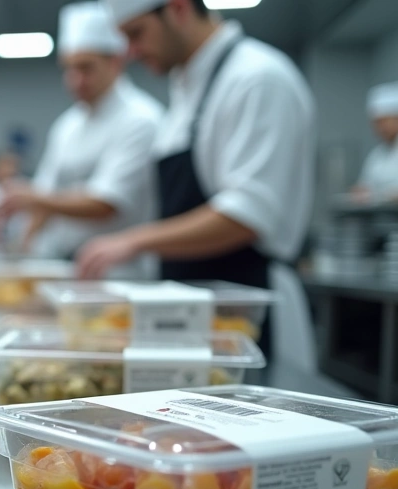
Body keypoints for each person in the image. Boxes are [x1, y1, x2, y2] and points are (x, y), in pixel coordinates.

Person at [80, 0, 316, 351]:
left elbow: (247, 215)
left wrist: (134, 240)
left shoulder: (257, 78)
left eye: (136, 33)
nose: (129, 52)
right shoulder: (187, 87)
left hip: (250, 312)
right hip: (195, 312)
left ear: (178, 9)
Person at [0, 1, 162, 279]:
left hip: (122, 272)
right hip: (68, 266)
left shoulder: (141, 119)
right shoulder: (67, 125)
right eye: (69, 69)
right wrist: (21, 251)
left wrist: (34, 197)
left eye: (86, 68)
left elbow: (106, 204)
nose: (75, 80)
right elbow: (44, 199)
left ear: (115, 62)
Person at [354, 82, 398, 204]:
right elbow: (364, 186)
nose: (379, 128)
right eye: (375, 123)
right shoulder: (377, 155)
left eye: (383, 121)